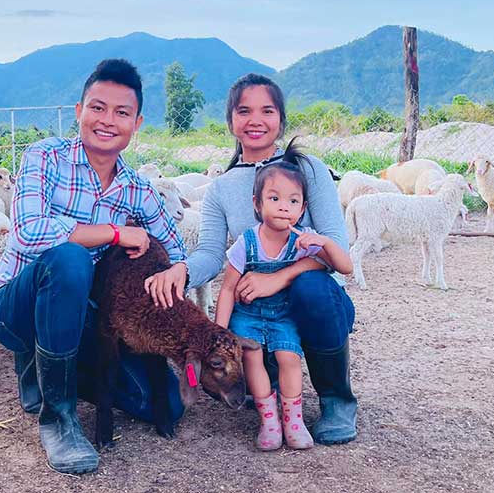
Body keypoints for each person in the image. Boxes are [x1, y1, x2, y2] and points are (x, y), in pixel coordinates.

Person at [0, 58, 189, 475]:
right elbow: (29, 232)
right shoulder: (45, 157)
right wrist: (114, 232)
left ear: (137, 123)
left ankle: (48, 373)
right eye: (97, 108)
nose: (107, 121)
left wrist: (179, 269)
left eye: (121, 112)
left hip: (77, 317)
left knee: (161, 400)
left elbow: (177, 245)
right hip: (13, 307)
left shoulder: (137, 188)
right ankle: (58, 419)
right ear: (79, 112)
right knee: (70, 259)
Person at [144, 73, 359, 445]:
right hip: (257, 310)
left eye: (267, 110)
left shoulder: (309, 171)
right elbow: (212, 253)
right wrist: (180, 270)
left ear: (280, 119)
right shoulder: (222, 188)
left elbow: (335, 244)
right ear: (231, 121)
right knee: (256, 340)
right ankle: (268, 388)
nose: (255, 120)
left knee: (311, 286)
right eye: (244, 111)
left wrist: (278, 278)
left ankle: (336, 400)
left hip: (316, 301)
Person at [215, 161, 353, 450]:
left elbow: (345, 267)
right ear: (257, 203)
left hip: (283, 315)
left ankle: (294, 420)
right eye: (274, 198)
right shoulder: (247, 242)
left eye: (293, 201)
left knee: (289, 357)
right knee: (252, 357)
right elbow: (228, 288)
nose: (283, 207)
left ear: (302, 208)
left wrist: (325, 242)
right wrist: (219, 332)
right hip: (248, 315)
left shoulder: (304, 240)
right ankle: (269, 421)